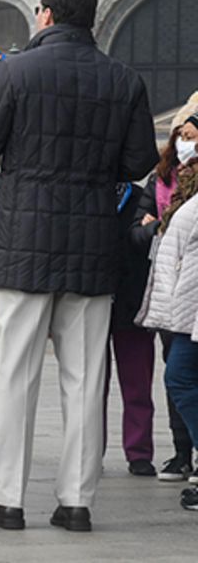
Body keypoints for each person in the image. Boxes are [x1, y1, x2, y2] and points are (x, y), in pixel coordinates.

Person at [0, 0, 158, 533]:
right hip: (93, 246)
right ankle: (76, 502)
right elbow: (139, 159)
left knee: (16, 377)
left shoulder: (17, 70)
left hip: (23, 244)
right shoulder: (124, 80)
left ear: (45, 14)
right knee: (84, 378)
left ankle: (6, 498)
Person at [138, 158, 198, 512]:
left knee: (178, 377)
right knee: (179, 378)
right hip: (185, 314)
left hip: (190, 315)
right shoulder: (182, 203)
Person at [147, 100, 198, 482]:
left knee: (179, 376)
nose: (186, 143)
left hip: (188, 306)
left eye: (191, 136)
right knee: (178, 376)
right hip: (180, 307)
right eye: (181, 135)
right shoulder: (171, 184)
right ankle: (185, 453)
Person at [106, 179, 159, 477]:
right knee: (89, 386)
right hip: (94, 299)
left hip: (133, 303)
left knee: (138, 384)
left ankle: (139, 452)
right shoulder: (89, 192)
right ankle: (90, 448)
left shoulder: (141, 197)